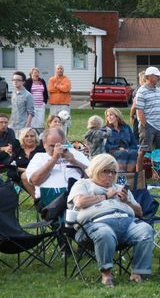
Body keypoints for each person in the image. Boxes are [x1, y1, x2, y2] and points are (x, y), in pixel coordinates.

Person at [67, 153, 152, 287]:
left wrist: (127, 201)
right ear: (96, 169)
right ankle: (106, 274)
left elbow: (139, 212)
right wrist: (105, 196)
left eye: (113, 172)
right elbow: (79, 202)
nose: (111, 175)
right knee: (104, 233)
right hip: (95, 225)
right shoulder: (83, 184)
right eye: (106, 171)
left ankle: (138, 272)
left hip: (126, 224)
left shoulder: (120, 188)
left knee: (145, 229)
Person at [26, 127, 89, 204]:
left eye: (59, 145)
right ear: (44, 144)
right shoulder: (39, 157)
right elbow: (35, 181)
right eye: (52, 146)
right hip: (50, 201)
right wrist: (53, 159)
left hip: (78, 196)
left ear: (65, 142)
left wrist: (74, 161)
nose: (56, 149)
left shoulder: (76, 155)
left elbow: (93, 176)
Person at [135, 67, 160, 172]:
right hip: (147, 126)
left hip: (159, 127)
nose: (158, 77)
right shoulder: (141, 91)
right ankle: (138, 175)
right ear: (149, 77)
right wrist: (145, 126)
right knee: (143, 151)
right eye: (156, 76)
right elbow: (139, 111)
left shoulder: (157, 91)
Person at [9, 127, 43, 198]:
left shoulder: (41, 149)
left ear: (36, 138)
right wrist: (26, 170)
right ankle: (37, 200)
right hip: (21, 176)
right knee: (24, 176)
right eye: (26, 136)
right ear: (22, 138)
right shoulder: (18, 150)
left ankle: (41, 198)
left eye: (32, 136)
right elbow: (11, 164)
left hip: (39, 174)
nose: (29, 138)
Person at [104, 107, 138, 172]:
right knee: (123, 153)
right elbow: (106, 145)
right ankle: (121, 174)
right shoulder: (105, 129)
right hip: (112, 151)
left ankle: (128, 174)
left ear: (117, 116)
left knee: (134, 152)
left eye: (111, 115)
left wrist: (129, 149)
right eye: (107, 116)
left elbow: (133, 142)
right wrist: (118, 148)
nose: (109, 117)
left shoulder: (126, 127)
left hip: (127, 150)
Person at [48, 64, 72, 134]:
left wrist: (57, 86)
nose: (59, 70)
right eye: (58, 69)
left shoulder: (66, 79)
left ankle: (64, 137)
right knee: (53, 121)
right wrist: (61, 88)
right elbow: (50, 89)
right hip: (54, 104)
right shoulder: (51, 79)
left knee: (65, 121)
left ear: (63, 70)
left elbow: (67, 88)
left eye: (61, 69)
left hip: (64, 104)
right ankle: (53, 135)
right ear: (55, 70)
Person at [130, 72, 146, 142]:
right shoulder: (153, 89)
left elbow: (134, 106)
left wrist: (131, 115)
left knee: (136, 135)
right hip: (150, 117)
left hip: (139, 117)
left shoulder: (139, 90)